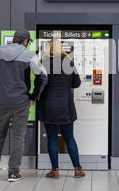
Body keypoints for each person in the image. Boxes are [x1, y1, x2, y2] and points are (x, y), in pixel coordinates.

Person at [0, 29, 47, 182]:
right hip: (21, 103)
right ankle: (13, 173)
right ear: (25, 41)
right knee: (18, 139)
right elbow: (43, 76)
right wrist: (33, 97)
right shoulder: (29, 55)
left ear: (14, 39)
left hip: (2, 102)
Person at [36, 39, 85, 179]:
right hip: (65, 107)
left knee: (52, 138)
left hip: (48, 106)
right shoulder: (68, 62)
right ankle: (77, 169)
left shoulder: (43, 63)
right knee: (69, 138)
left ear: (48, 49)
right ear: (61, 48)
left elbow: (39, 84)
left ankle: (55, 171)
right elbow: (77, 83)